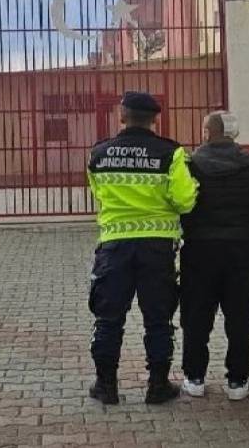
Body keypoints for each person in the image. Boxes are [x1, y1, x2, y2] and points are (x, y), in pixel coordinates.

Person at [86, 91, 199, 405]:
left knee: (108, 319)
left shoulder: (99, 153)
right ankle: (158, 386)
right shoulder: (170, 153)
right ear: (154, 119)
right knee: (158, 319)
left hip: (113, 246)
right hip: (157, 248)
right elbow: (184, 201)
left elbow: (98, 193)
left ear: (122, 115)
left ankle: (106, 386)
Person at [179, 111, 249, 401]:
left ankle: (194, 378)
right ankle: (237, 381)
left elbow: (181, 202)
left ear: (208, 132)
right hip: (242, 248)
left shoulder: (191, 163)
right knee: (240, 317)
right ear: (234, 134)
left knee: (196, 314)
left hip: (199, 248)